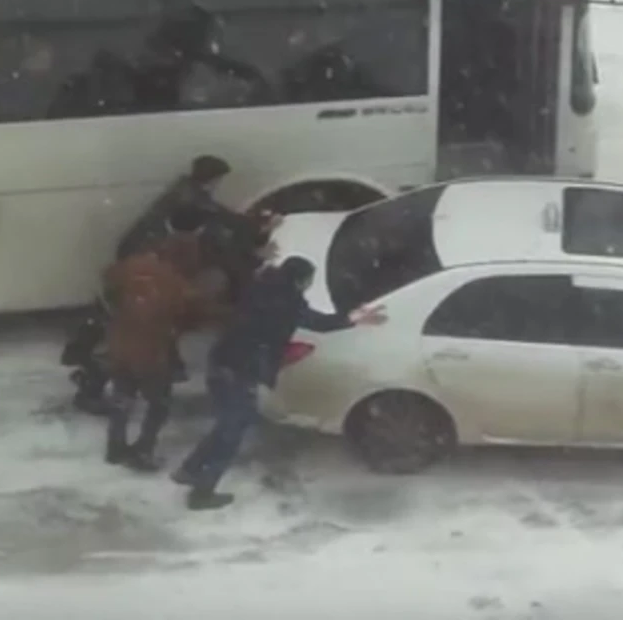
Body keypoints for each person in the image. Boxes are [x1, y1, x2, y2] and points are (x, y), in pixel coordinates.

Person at [61, 155, 279, 414]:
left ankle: (88, 363)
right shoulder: (188, 216)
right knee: (139, 348)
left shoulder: (185, 199)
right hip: (143, 289)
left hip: (134, 280)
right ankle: (95, 383)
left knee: (128, 337)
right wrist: (257, 241)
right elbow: (220, 230)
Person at [172, 256, 387, 511]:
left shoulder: (262, 288)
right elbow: (319, 323)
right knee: (232, 431)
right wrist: (354, 318)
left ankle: (190, 469)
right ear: (298, 280)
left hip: (223, 362)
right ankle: (202, 492)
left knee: (227, 425)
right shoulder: (286, 302)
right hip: (241, 370)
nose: (308, 285)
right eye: (308, 280)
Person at [104, 222, 231, 472]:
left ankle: (115, 447)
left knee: (123, 398)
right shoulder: (176, 283)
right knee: (158, 405)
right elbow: (194, 313)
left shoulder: (129, 266)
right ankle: (144, 449)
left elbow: (108, 284)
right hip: (152, 354)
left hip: (119, 345)